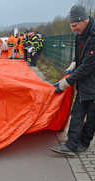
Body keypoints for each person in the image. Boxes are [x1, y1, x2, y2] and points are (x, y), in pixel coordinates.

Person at [50, 5, 95, 156]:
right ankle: (71, 145)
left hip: (92, 83)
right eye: (72, 26)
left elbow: (88, 66)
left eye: (75, 26)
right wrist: (74, 62)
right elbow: (80, 59)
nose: (73, 29)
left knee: (91, 120)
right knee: (77, 114)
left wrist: (67, 82)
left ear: (84, 20)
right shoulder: (79, 36)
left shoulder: (94, 37)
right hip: (85, 83)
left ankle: (83, 143)